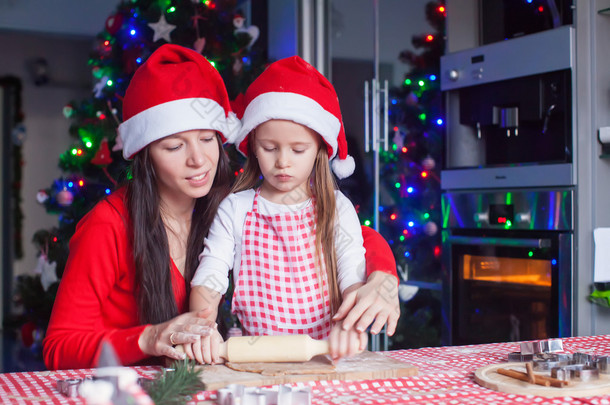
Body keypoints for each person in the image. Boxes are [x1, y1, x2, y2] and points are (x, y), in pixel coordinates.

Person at [43, 45, 399, 370]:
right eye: (173, 147)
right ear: (144, 153)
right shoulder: (109, 225)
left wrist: (382, 278)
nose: (198, 161)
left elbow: (352, 233)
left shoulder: (225, 203)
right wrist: (148, 337)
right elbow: (59, 347)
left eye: (207, 139)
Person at [189, 56, 396, 364]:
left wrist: (350, 324)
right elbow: (210, 276)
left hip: (327, 358)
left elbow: (352, 277)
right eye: (269, 148)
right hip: (255, 362)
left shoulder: (337, 209)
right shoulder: (236, 208)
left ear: (320, 150)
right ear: (252, 145)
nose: (283, 161)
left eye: (298, 149)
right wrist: (202, 324)